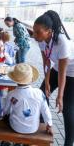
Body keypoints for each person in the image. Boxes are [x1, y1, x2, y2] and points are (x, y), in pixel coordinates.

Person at [33, 10, 74, 146]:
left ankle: (68, 142)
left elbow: (63, 72)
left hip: (72, 73)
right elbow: (46, 62)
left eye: (38, 32)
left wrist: (60, 96)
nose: (34, 35)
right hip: (57, 68)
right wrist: (46, 84)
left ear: (49, 31)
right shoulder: (41, 40)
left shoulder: (62, 42)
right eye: (34, 31)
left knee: (67, 108)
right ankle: (42, 127)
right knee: (41, 94)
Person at [4, 63, 53, 135]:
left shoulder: (11, 94)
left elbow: (6, 111)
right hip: (33, 128)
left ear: (15, 80)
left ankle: (6, 141)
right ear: (32, 79)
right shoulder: (39, 93)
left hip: (15, 127)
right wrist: (49, 125)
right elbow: (45, 110)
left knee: (7, 117)